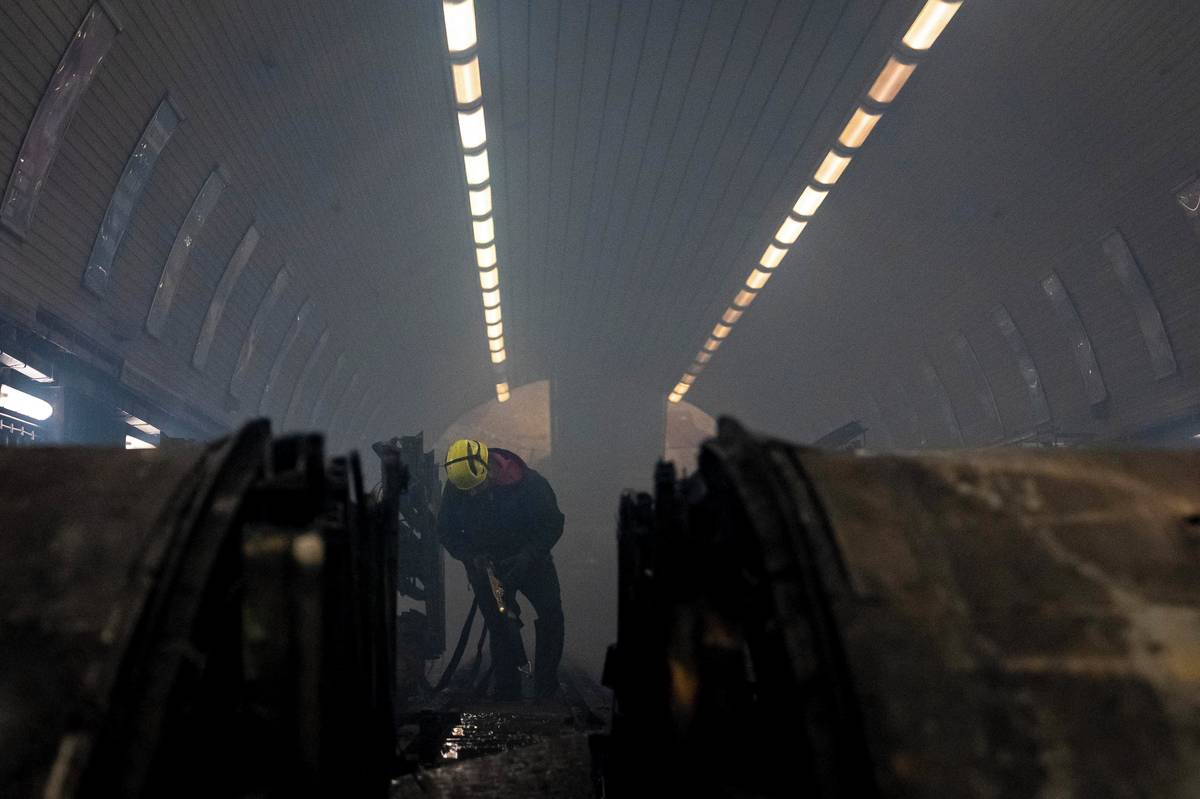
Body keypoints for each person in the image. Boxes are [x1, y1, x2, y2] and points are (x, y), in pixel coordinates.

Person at [437, 438, 565, 699]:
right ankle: (508, 690)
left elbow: (552, 524)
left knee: (551, 615)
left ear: (488, 469)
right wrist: (471, 557)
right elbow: (446, 531)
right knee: (500, 624)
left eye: (477, 487)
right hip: (487, 566)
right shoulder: (459, 484)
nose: (472, 494)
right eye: (467, 490)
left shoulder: (531, 485)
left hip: (532, 563)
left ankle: (546, 685)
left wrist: (528, 555)